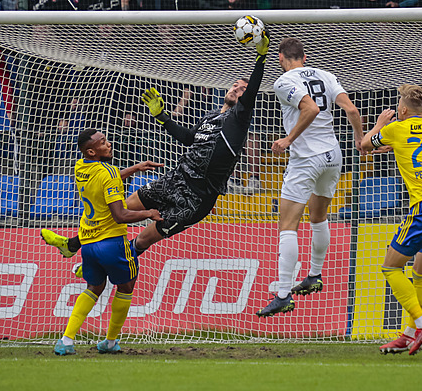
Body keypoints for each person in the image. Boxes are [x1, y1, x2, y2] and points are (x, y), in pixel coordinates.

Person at [42, 32, 271, 271]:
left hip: (196, 198)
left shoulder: (238, 119)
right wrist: (162, 117)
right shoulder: (211, 116)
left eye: (242, 89)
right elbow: (188, 138)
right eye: (235, 85)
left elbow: (252, 90)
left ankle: (101, 266)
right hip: (175, 179)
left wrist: (260, 57)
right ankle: (72, 244)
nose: (236, 89)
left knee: (143, 239)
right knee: (120, 208)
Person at [256, 37, 364, 317]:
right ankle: (314, 275)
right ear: (304, 57)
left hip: (306, 159)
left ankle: (282, 294)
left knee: (288, 225)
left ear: (281, 58)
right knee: (318, 218)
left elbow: (310, 108)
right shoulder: (326, 76)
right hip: (333, 156)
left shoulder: (283, 81)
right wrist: (359, 139)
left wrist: (288, 139)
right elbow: (351, 110)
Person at [360, 84, 422, 355]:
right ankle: (409, 333)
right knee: (420, 273)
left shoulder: (394, 129)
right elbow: (406, 147)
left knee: (391, 267)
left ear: (401, 110)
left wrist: (379, 124)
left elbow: (364, 145)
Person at [54, 128, 162, 356]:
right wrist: (149, 213)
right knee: (125, 286)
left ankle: (66, 340)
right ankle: (111, 341)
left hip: (89, 244)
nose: (108, 144)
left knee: (94, 287)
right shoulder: (108, 172)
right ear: (92, 151)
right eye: (103, 142)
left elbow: (106, 179)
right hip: (113, 243)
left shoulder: (80, 166)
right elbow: (120, 215)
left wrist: (134, 168)